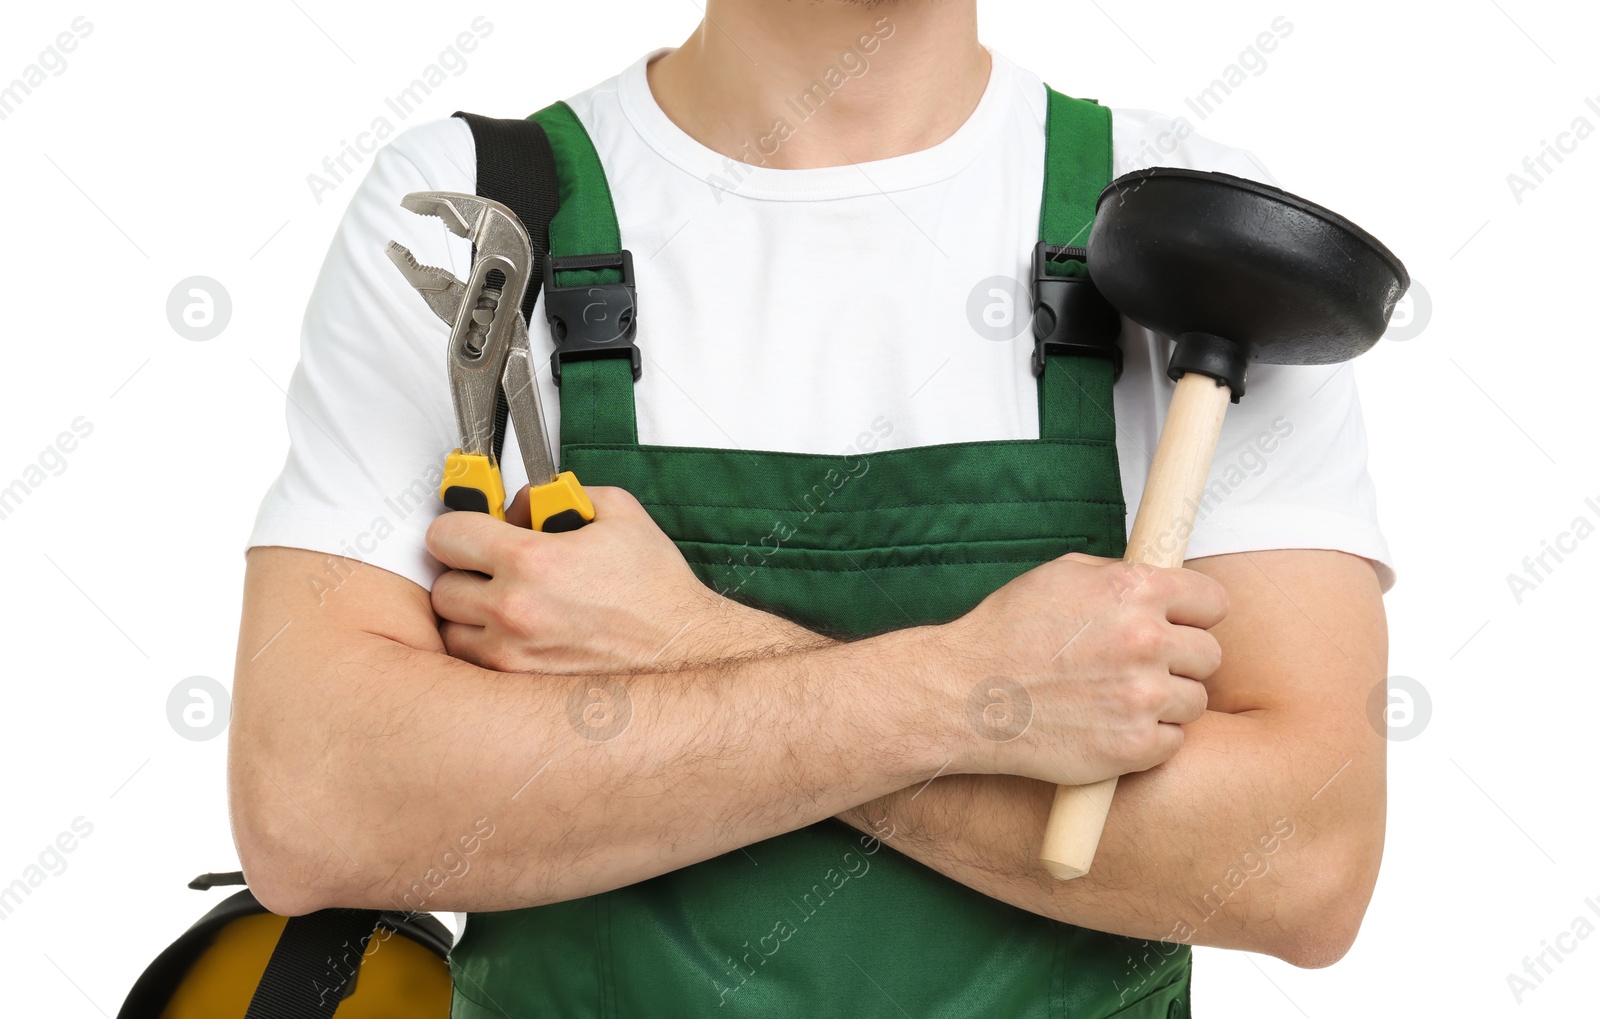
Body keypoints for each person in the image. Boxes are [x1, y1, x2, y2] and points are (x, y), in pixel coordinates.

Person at [231, 2, 1392, 1015]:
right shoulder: (496, 203)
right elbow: (315, 806)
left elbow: (1303, 868)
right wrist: (978, 697)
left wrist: (685, 644)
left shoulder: (1197, 238)